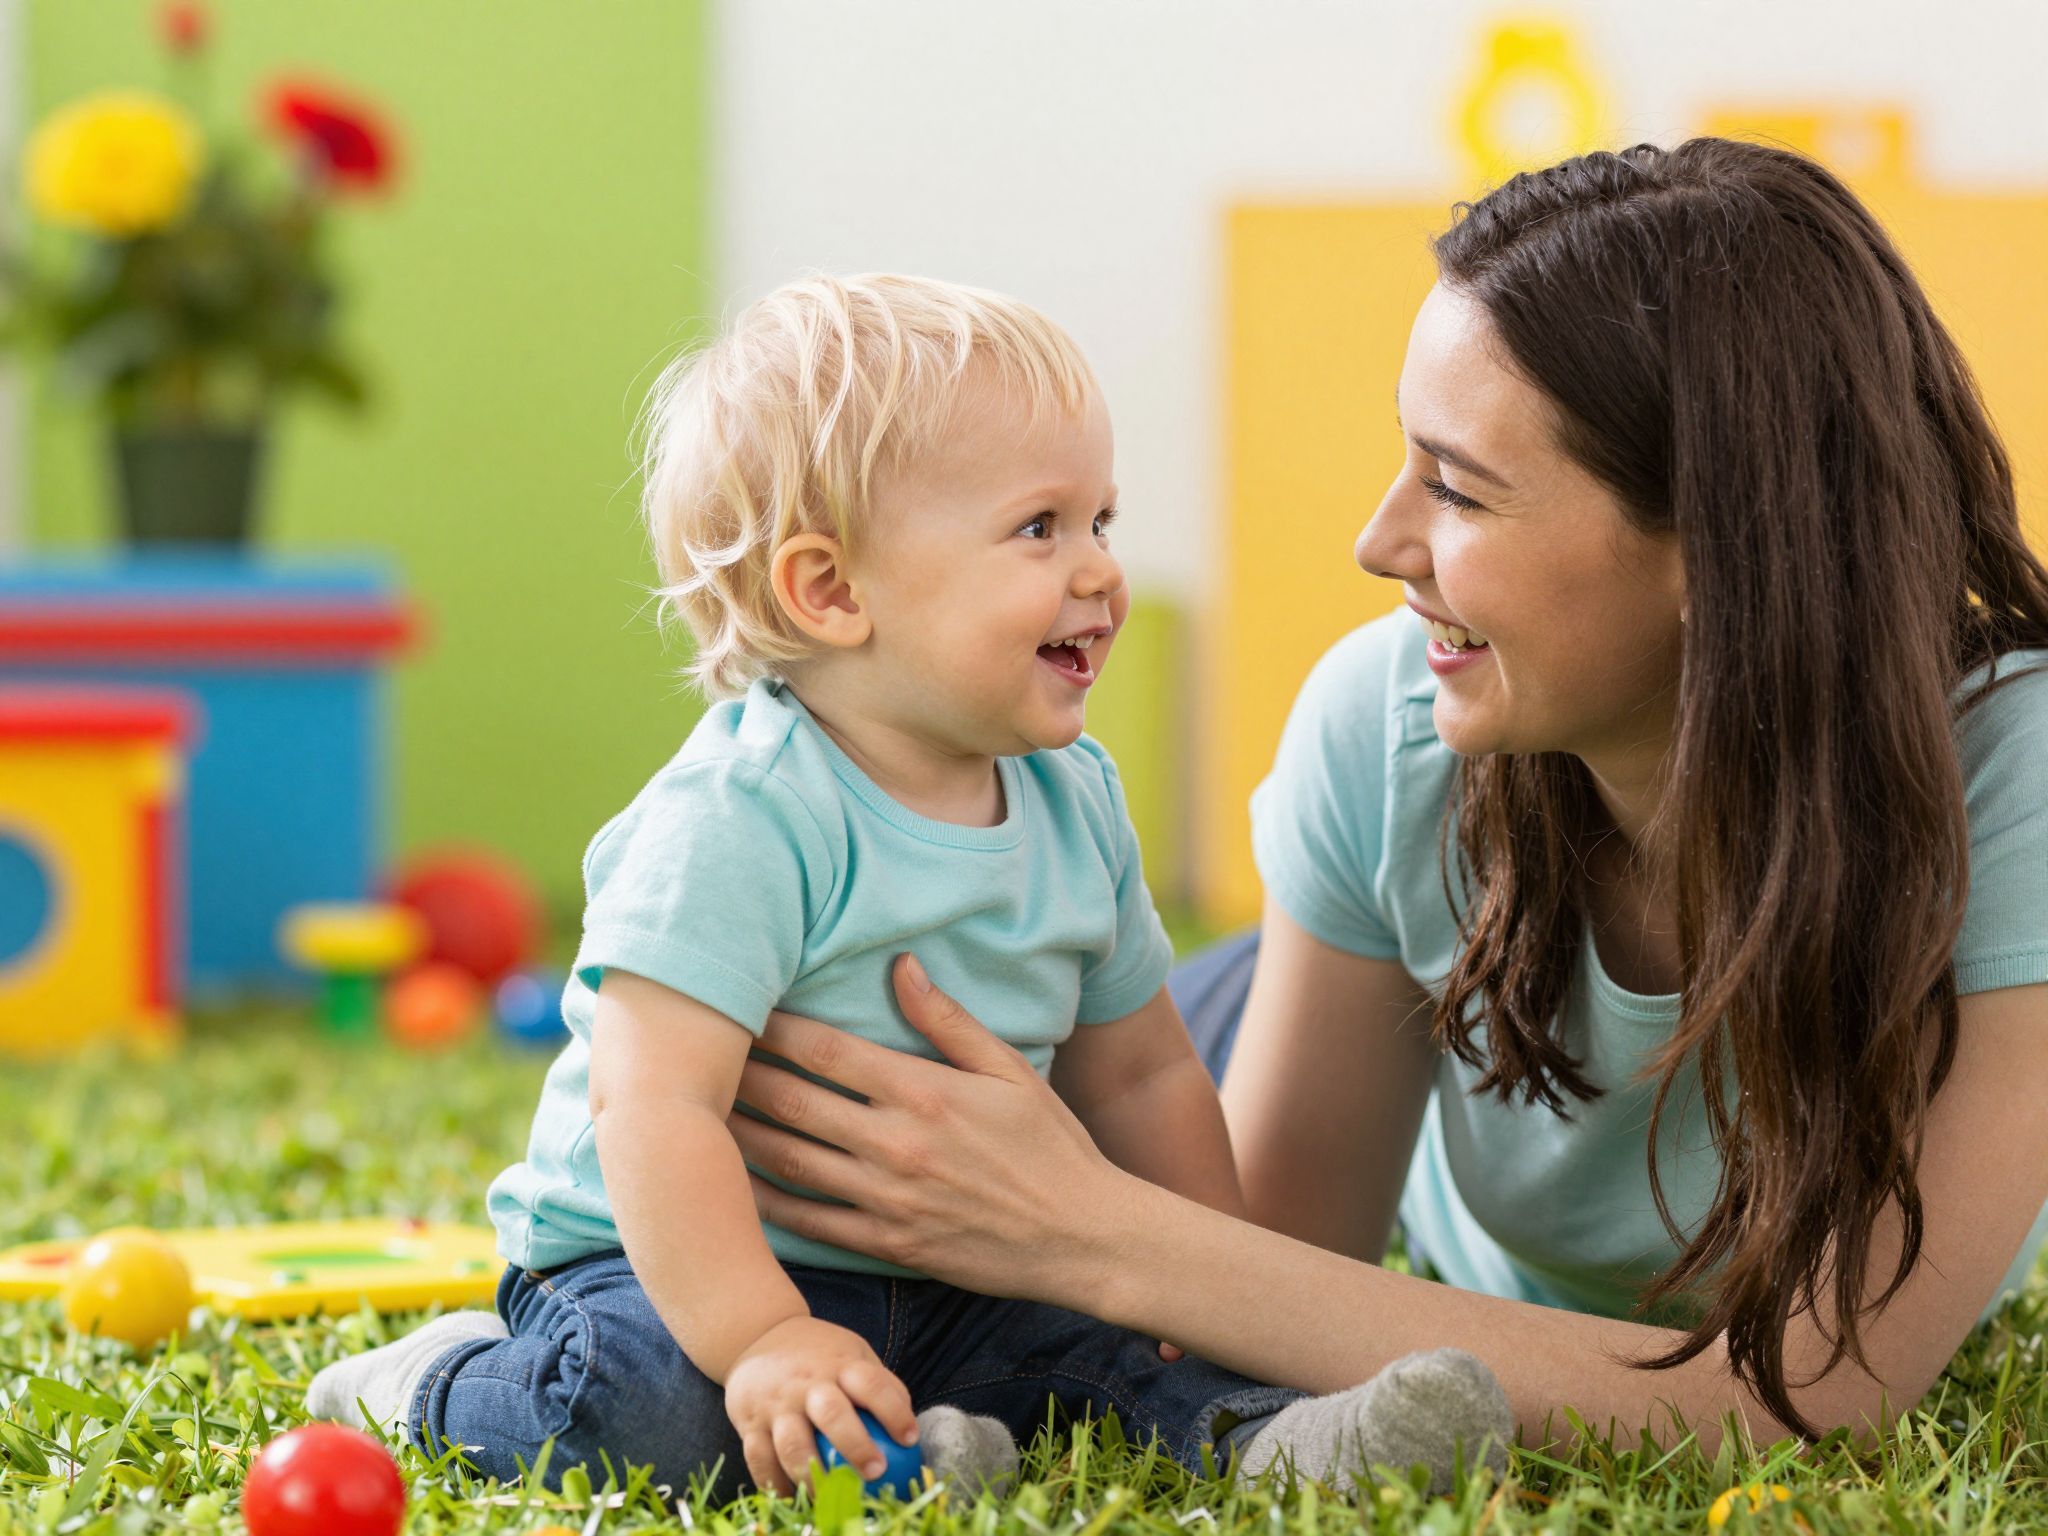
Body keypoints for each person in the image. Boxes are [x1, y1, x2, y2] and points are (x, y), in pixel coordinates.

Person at [724, 139, 2048, 1451]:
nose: (1377, 542)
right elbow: (1263, 1282)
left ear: (1717, 546)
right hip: (1267, 1025)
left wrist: (1084, 1229)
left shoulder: (2012, 776)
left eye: (1457, 488)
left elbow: (1802, 1399)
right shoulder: (1393, 721)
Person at [306, 274, 1513, 1499]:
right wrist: (764, 1336)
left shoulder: (1073, 800)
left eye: (1100, 520)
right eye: (1038, 528)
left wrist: (1208, 1292)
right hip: (673, 1263)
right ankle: (435, 1379)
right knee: (661, 1417)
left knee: (1105, 1356)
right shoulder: (741, 815)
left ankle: (1266, 1437)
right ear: (831, 592)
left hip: (959, 1261)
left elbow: (1139, 1072)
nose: (1099, 572)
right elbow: (652, 1107)